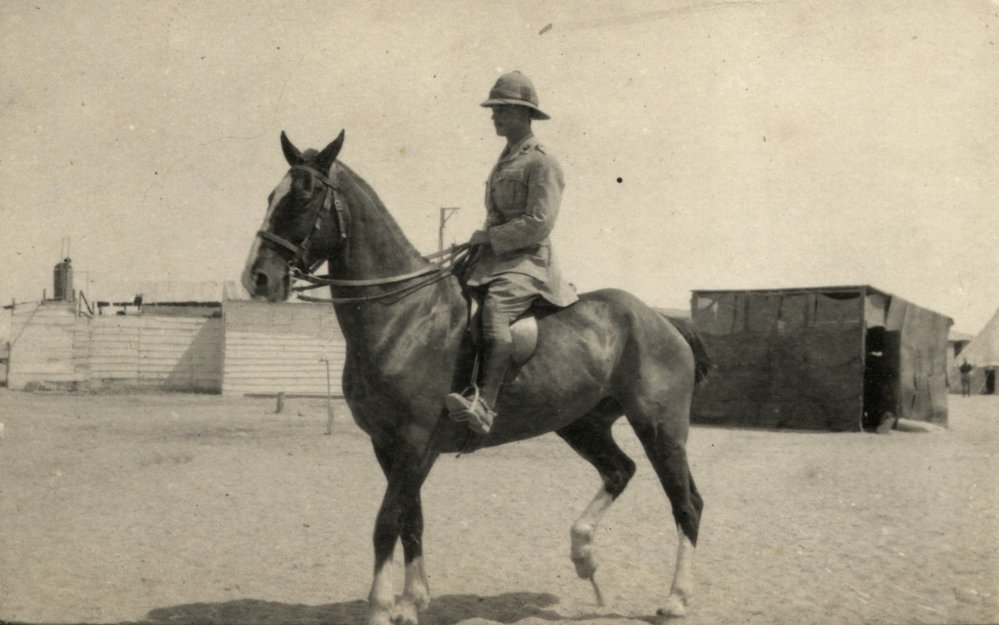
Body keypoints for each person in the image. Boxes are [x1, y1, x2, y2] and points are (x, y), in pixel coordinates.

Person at [445, 71, 578, 435]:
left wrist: (490, 237)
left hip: (529, 262)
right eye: (494, 110)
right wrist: (480, 241)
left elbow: (539, 222)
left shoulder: (541, 161)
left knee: (495, 310)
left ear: (524, 114)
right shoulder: (506, 158)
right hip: (495, 259)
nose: (494, 116)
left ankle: (484, 404)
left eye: (502, 110)